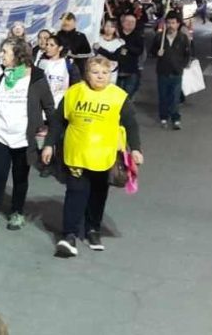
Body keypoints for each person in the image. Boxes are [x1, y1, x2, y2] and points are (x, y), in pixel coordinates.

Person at [44, 56, 143, 257]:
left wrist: (136, 149)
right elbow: (57, 121)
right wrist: (48, 145)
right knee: (75, 193)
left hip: (104, 155)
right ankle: (69, 234)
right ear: (87, 74)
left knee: (98, 194)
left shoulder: (118, 96)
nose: (100, 77)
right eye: (95, 72)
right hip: (77, 154)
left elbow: (131, 124)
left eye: (105, 73)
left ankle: (92, 229)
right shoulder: (74, 93)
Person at [0, 39, 57, 235]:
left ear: (18, 55)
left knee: (20, 178)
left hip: (24, 138)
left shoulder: (36, 77)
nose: (2, 55)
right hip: (0, 135)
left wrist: (50, 137)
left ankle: (17, 211)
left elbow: (49, 107)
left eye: (6, 52)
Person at [154, 12, 192, 130]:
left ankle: (176, 119)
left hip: (176, 72)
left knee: (175, 97)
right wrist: (157, 53)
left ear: (178, 24)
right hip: (162, 72)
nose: (171, 25)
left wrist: (182, 65)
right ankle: (163, 117)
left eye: (173, 23)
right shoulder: (160, 37)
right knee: (163, 96)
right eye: (169, 22)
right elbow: (152, 51)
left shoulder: (182, 38)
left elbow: (187, 54)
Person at [36, 34, 80, 106]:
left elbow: (76, 85)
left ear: (60, 48)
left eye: (52, 45)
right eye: (47, 44)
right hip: (43, 105)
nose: (48, 47)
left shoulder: (69, 64)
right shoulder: (41, 63)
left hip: (61, 104)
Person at [115, 14, 145, 101]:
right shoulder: (117, 34)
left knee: (128, 97)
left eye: (133, 22)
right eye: (127, 21)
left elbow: (139, 51)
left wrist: (126, 46)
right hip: (116, 70)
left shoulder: (138, 36)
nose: (130, 23)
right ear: (122, 22)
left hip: (131, 70)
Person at [91, 19, 125, 86]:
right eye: (107, 26)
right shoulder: (97, 39)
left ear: (115, 28)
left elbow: (116, 57)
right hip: (96, 70)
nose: (108, 28)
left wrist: (100, 49)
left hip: (111, 71)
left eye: (112, 27)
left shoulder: (120, 42)